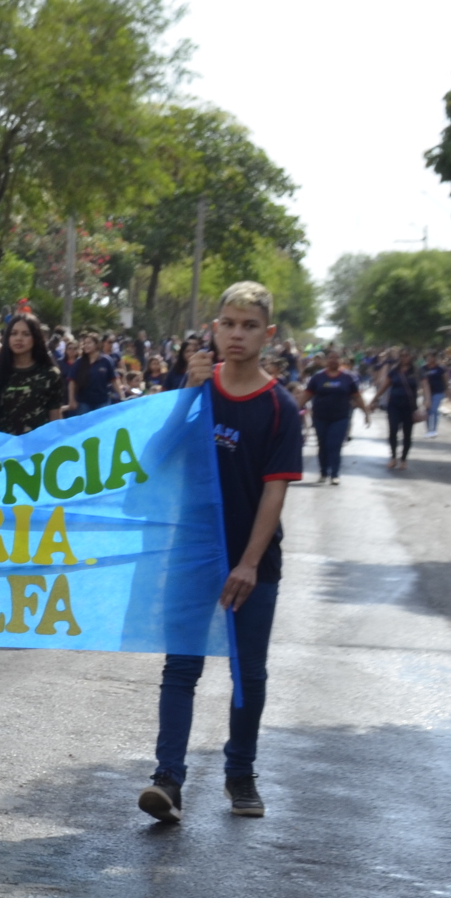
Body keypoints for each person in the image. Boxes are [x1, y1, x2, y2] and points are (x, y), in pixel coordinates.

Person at [142, 282, 303, 825]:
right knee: (180, 668)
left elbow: (275, 491)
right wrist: (187, 393)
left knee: (248, 673)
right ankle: (168, 779)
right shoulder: (193, 389)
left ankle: (241, 774)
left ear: (268, 334)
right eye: (228, 323)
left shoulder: (280, 407)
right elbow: (156, 456)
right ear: (214, 327)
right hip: (191, 555)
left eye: (249, 325)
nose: (237, 334)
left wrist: (250, 564)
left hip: (251, 565)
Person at [0, 313, 62, 437]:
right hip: (0, 450)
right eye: (14, 333)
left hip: (37, 451)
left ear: (36, 338)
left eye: (26, 334)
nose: (19, 338)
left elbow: (55, 419)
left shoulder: (50, 374)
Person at [300, 348, 366, 485]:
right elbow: (306, 395)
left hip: (340, 418)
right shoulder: (317, 377)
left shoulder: (348, 378)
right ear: (326, 361)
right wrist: (293, 409)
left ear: (340, 361)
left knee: (334, 445)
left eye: (336, 358)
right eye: (330, 358)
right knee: (323, 445)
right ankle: (324, 472)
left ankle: (335, 474)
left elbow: (357, 396)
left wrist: (366, 412)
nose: (333, 360)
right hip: (320, 417)